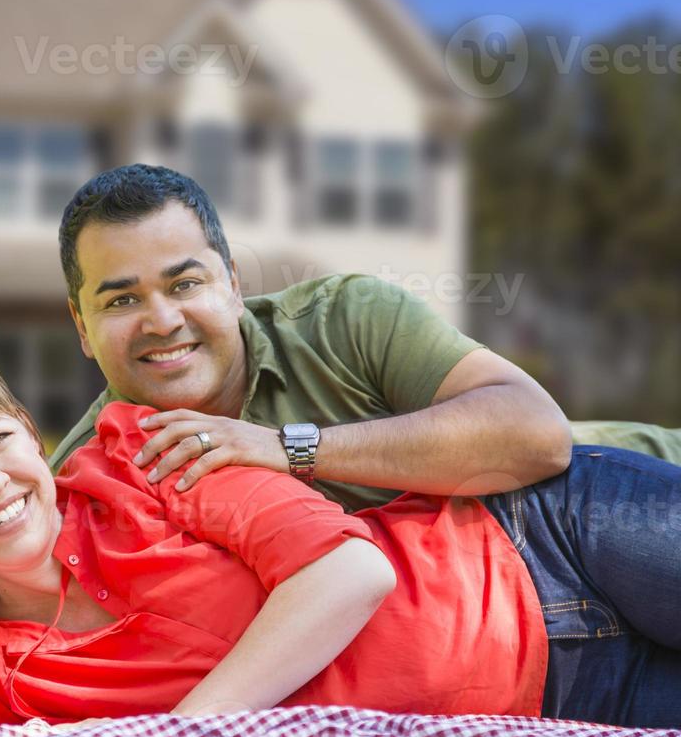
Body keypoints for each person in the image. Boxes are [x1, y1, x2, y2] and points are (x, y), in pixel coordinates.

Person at [0, 345, 681, 737]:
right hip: (563, 692)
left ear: (28, 431)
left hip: (554, 536)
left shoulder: (140, 456)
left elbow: (349, 572)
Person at [44, 164, 681, 512]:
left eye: (185, 284)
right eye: (123, 299)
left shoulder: (345, 316)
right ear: (81, 326)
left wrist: (286, 450)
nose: (161, 321)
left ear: (233, 285)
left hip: (631, 490)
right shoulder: (80, 476)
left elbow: (536, 436)